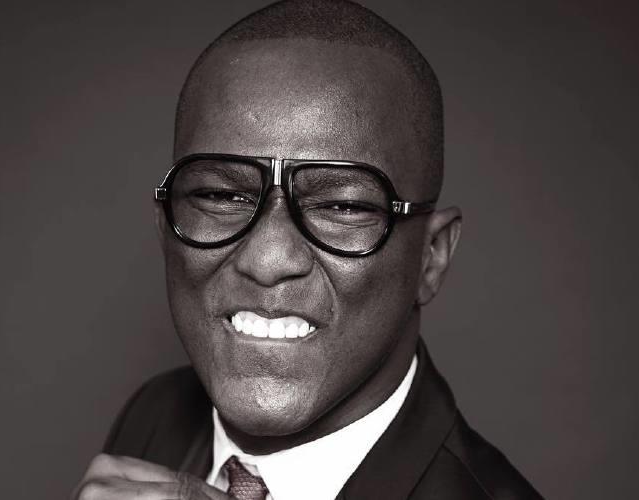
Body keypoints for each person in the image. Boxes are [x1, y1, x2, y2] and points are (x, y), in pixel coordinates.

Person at [72, 1, 542, 498]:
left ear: (432, 256)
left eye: (342, 205)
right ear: (165, 225)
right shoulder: (155, 414)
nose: (267, 260)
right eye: (221, 195)